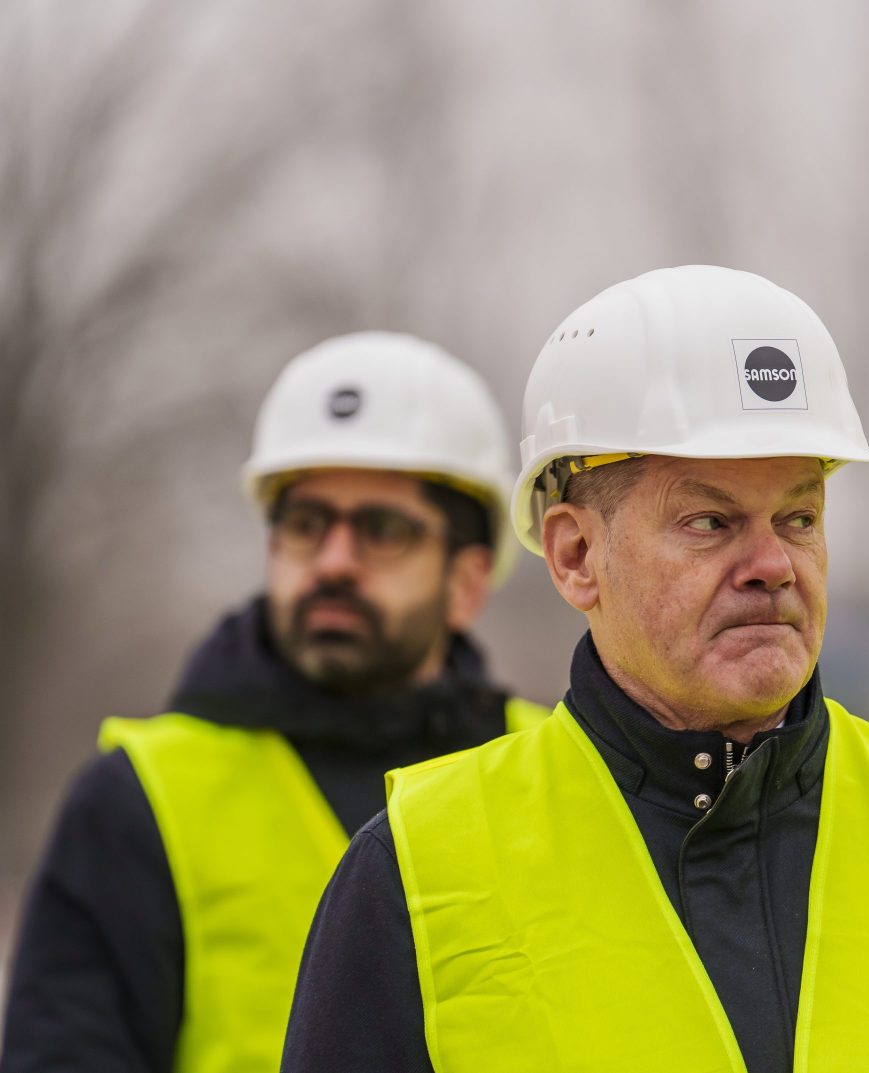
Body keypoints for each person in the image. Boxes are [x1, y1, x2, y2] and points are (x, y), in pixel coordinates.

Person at [280, 265, 869, 1072]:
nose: (773, 564)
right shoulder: (418, 873)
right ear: (575, 555)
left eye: (799, 517)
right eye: (710, 521)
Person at [1, 332, 549, 1073]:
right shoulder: (136, 801)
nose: (333, 561)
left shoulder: (557, 780)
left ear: (468, 581)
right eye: (305, 524)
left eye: (384, 529)